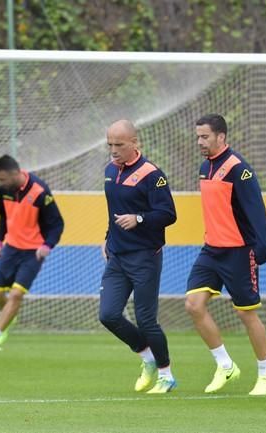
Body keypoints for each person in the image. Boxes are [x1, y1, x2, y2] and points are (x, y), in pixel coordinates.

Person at [185, 113, 266, 396]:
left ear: (221, 136)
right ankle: (225, 365)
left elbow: (256, 210)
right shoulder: (205, 168)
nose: (200, 141)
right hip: (212, 250)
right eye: (198, 136)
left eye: (205, 136)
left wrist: (262, 248)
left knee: (244, 313)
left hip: (239, 251)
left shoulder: (239, 169)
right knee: (193, 305)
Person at [99, 119, 178, 393]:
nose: (113, 150)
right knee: (108, 315)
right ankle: (147, 357)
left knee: (146, 319)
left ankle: (166, 374)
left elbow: (169, 214)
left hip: (145, 256)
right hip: (117, 257)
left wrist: (140, 219)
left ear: (135, 143)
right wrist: (107, 238)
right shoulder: (110, 170)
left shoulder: (152, 175)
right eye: (109, 144)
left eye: (119, 144)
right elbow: (114, 210)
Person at [0, 154, 64, 351]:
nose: (0, 183)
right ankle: (9, 316)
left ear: (15, 174)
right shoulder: (5, 190)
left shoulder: (39, 191)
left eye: (2, 179)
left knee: (16, 294)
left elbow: (57, 223)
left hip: (32, 252)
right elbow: (4, 217)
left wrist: (48, 245)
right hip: (11, 248)